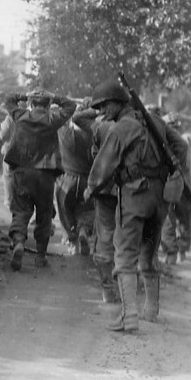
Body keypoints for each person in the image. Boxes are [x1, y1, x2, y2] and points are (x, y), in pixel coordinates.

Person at [83, 79, 187, 332]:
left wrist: (91, 189)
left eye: (105, 106)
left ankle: (129, 316)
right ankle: (151, 309)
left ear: (119, 103)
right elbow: (181, 146)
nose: (102, 112)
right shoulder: (156, 121)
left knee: (125, 256)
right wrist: (174, 170)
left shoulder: (121, 128)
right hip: (161, 197)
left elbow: (104, 164)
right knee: (149, 254)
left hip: (134, 195)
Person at [2, 89, 77, 270]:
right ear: (47, 105)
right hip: (45, 174)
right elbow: (71, 105)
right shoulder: (52, 120)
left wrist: (24, 95)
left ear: (32, 104)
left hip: (22, 172)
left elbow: (8, 99)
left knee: (20, 211)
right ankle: (40, 256)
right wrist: (54, 97)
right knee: (44, 215)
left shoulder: (20, 116)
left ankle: (19, 242)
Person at [72, 102, 120, 303]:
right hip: (133, 191)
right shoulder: (137, 125)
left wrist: (97, 109)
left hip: (105, 188)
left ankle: (108, 289)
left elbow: (77, 118)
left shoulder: (102, 126)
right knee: (130, 237)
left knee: (105, 237)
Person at [55, 101, 95, 256]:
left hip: (67, 181)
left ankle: (71, 240)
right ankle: (83, 231)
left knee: (64, 209)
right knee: (86, 210)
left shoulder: (63, 133)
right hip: (87, 180)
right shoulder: (95, 136)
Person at [159, 113, 191, 273]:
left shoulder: (162, 141)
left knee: (168, 219)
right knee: (185, 218)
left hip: (169, 183)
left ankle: (172, 253)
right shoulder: (185, 140)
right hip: (184, 184)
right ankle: (181, 250)